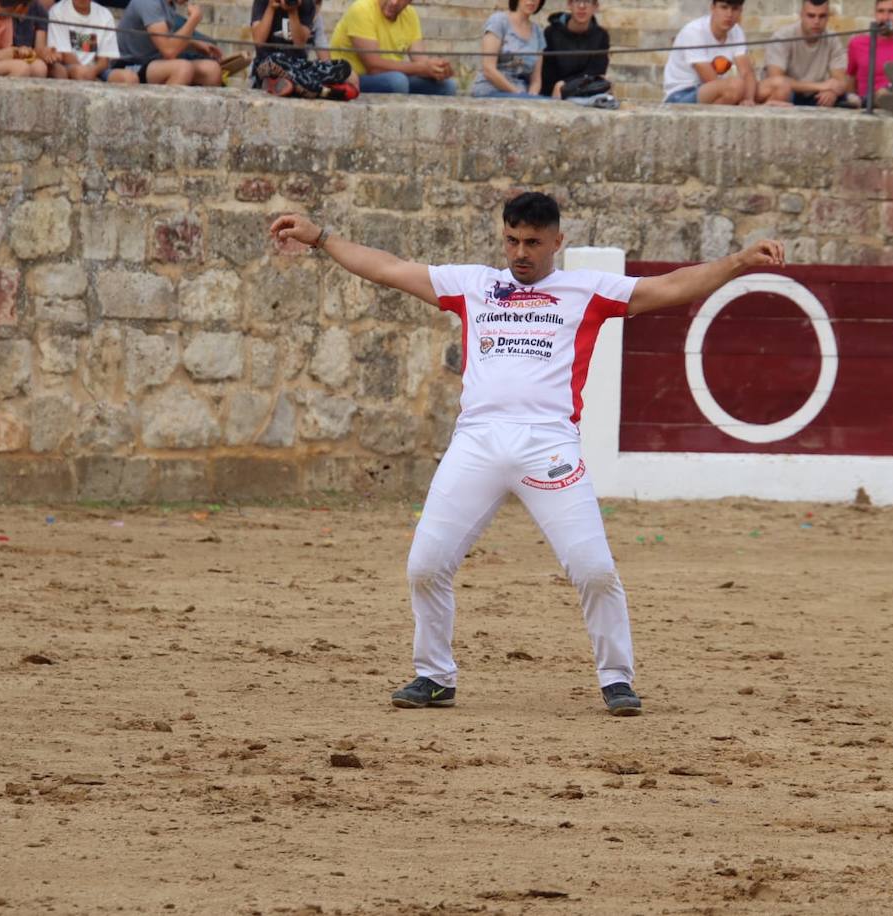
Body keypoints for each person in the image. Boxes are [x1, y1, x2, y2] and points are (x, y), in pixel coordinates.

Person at [267, 193, 786, 716]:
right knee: (425, 565)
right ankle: (434, 675)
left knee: (593, 568)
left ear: (557, 242)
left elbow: (670, 287)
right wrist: (320, 237)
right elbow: (389, 269)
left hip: (549, 445)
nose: (521, 252)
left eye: (533, 243)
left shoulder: (587, 289)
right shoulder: (473, 284)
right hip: (478, 440)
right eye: (512, 240)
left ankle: (616, 679)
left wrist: (738, 262)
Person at [329, 0, 455, 95]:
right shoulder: (362, 9)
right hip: (353, 79)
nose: (394, 2)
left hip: (392, 77)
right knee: (397, 82)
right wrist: (422, 68)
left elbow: (421, 61)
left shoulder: (410, 15)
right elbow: (374, 66)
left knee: (448, 86)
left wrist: (437, 69)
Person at [250, 0, 355, 97]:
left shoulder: (307, 4)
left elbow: (299, 44)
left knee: (342, 66)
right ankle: (318, 89)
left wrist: (293, 12)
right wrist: (270, 8)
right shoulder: (263, 2)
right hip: (268, 63)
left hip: (297, 64)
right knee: (276, 59)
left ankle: (290, 85)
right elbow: (259, 41)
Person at [662, 0, 758, 105]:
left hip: (714, 89)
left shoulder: (736, 31)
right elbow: (710, 79)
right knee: (735, 86)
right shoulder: (694, 31)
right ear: (713, 8)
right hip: (681, 94)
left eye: (734, 9)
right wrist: (741, 95)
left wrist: (748, 100)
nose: (729, 14)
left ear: (740, 11)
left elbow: (747, 72)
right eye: (724, 7)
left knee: (775, 85)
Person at [758, 0, 852, 107]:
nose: (816, 21)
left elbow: (841, 79)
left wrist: (832, 91)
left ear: (828, 18)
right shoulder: (783, 36)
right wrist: (821, 86)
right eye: (811, 16)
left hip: (816, 96)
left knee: (846, 99)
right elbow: (776, 79)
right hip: (788, 94)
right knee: (782, 89)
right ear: (801, 15)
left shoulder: (832, 39)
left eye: (822, 16)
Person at [115, 0, 223, 86]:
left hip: (154, 62)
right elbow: (169, 51)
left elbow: (165, 40)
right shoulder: (150, 3)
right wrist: (193, 20)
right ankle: (160, 113)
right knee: (183, 68)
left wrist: (194, 44)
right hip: (130, 65)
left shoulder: (168, 6)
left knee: (212, 70)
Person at [541, 0, 614, 107]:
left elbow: (596, 71)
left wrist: (565, 84)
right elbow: (547, 73)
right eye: (577, 1)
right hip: (553, 94)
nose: (582, 6)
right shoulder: (551, 32)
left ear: (595, 7)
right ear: (569, 4)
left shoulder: (601, 35)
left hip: (583, 91)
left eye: (587, 1)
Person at [45, 0, 138, 82]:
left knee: (130, 78)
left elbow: (104, 60)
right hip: (69, 66)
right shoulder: (58, 11)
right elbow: (64, 54)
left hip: (98, 70)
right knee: (80, 72)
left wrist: (93, 71)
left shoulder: (105, 14)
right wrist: (86, 72)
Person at [471, 0, 547, 98]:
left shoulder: (538, 32)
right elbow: (488, 69)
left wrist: (532, 96)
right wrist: (518, 94)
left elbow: (536, 80)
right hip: (491, 89)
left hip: (521, 94)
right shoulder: (499, 21)